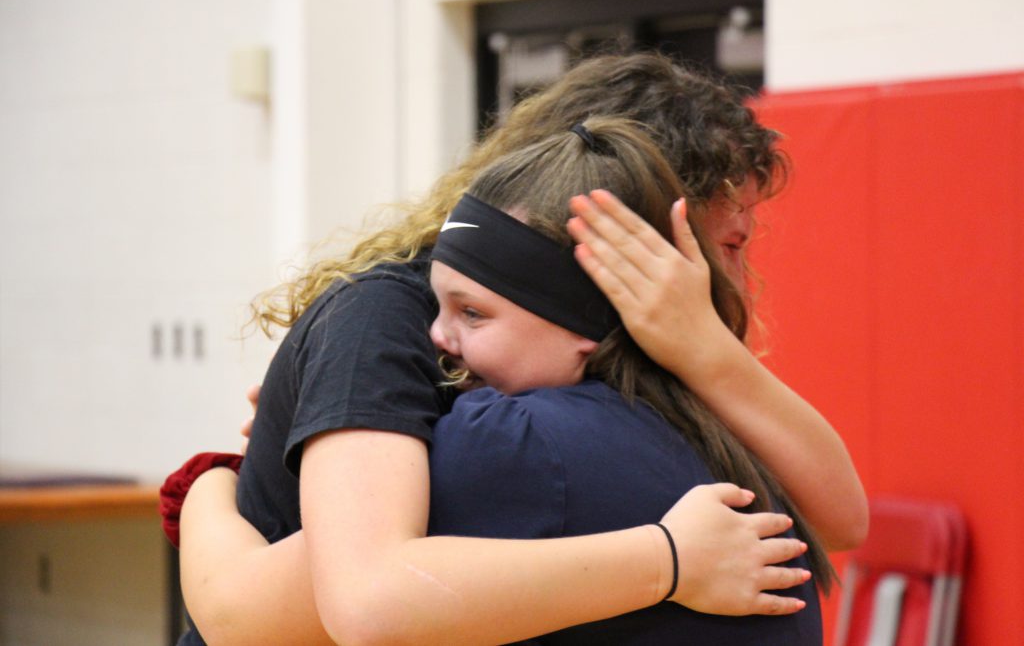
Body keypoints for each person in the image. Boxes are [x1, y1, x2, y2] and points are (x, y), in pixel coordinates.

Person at [174, 53, 866, 645]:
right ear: (617, 239)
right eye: (730, 244)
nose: (735, 279)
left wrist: (207, 485)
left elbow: (842, 517)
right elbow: (317, 603)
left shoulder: (609, 386)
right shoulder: (418, 349)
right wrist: (214, 483)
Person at [427, 116, 826, 643]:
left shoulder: (510, 439)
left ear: (579, 322)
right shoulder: (726, 431)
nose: (436, 335)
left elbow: (367, 604)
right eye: (437, 305)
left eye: (473, 313)